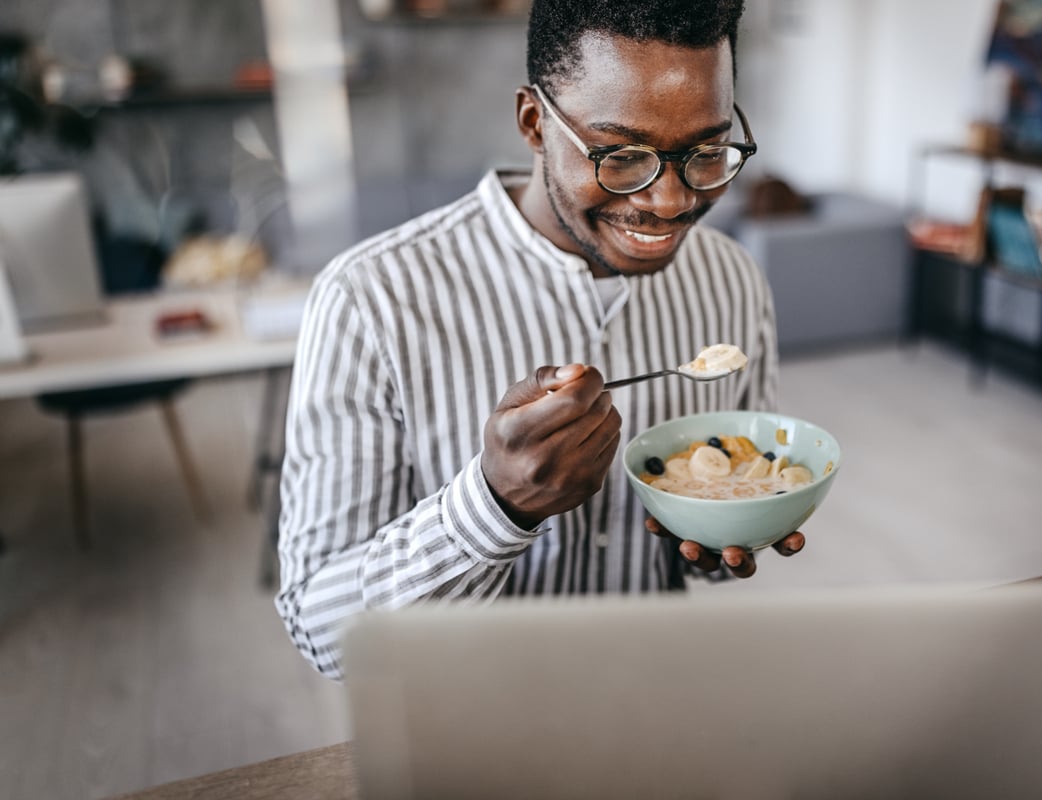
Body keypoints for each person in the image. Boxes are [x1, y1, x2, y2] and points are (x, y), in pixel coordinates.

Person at [276, 0, 806, 679]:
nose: (672, 202)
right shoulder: (369, 301)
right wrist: (494, 505)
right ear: (533, 121)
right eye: (621, 155)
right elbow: (323, 635)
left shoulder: (731, 281)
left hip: (654, 699)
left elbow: (719, 527)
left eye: (705, 151)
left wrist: (722, 534)